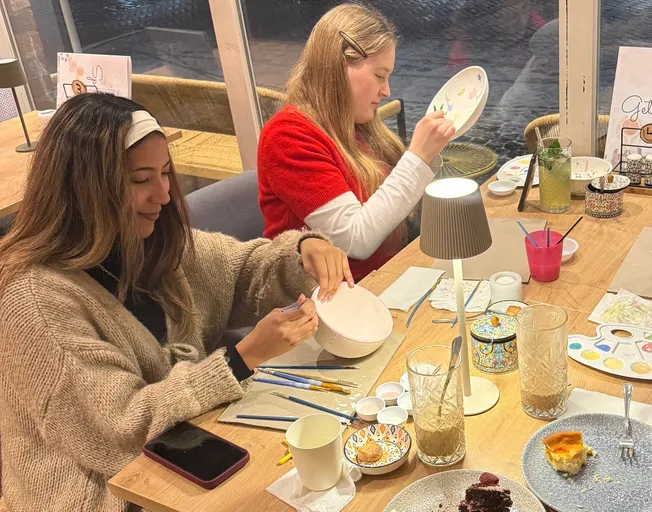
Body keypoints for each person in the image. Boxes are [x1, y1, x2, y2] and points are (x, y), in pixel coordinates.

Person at [0, 93, 353, 511]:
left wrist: (303, 252)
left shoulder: (154, 245)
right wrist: (240, 359)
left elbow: (243, 271)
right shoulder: (35, 299)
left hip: (191, 453)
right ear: (84, 189)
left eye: (166, 173)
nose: (164, 195)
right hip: (105, 493)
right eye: (140, 179)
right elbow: (121, 429)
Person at [257, 3, 455, 282]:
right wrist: (418, 158)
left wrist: (429, 155)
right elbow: (355, 240)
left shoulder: (354, 125)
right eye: (379, 76)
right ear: (339, 66)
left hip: (386, 275)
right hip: (326, 304)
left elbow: (395, 211)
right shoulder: (287, 136)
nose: (386, 91)